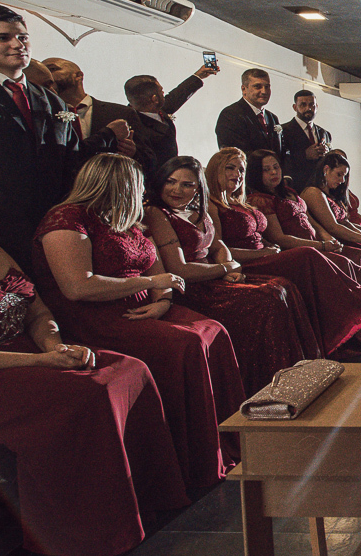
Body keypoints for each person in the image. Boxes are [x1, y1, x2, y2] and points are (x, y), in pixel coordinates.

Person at [0, 164, 189, 556]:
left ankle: (140, 507)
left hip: (29, 355)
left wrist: (52, 347)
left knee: (130, 369)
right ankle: (81, 537)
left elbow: (38, 313)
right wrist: (37, 364)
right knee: (85, 394)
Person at [31, 153, 242, 491]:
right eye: (140, 185)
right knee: (186, 344)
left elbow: (156, 268)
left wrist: (163, 301)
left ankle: (225, 443)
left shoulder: (121, 218)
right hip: (100, 315)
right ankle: (192, 462)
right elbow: (77, 287)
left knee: (214, 330)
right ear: (120, 185)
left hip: (146, 305)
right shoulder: (67, 220)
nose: (146, 192)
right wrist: (149, 285)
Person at [0, 3, 113, 268]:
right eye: (3, 38)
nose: (18, 45)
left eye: (23, 37)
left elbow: (71, 163)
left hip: (51, 229)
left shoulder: (53, 102)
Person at [143, 156, 321, 394]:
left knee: (282, 287)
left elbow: (217, 245)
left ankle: (298, 373)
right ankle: (264, 385)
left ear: (198, 189)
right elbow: (179, 269)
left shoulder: (197, 209)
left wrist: (229, 264)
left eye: (187, 185)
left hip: (215, 276)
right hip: (192, 288)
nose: (177, 190)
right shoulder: (157, 212)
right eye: (170, 182)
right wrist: (225, 269)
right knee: (266, 299)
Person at [206, 147, 361, 358]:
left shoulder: (242, 202)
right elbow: (221, 248)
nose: (237, 174)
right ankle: (360, 301)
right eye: (230, 168)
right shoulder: (217, 205)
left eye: (240, 169)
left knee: (356, 255)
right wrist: (269, 251)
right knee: (307, 255)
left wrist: (325, 239)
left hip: (269, 251)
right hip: (252, 259)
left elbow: (273, 232)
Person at [303, 152, 361, 297]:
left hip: (342, 234)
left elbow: (344, 221)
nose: (342, 180)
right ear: (326, 169)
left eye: (344, 176)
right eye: (339, 174)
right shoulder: (313, 193)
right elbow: (332, 227)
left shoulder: (328, 192)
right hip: (332, 239)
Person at [42, 56, 142, 166]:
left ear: (78, 75)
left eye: (52, 69)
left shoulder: (121, 113)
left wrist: (134, 153)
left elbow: (149, 158)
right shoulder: (43, 116)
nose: (47, 75)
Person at [124, 65, 216, 175]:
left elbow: (176, 97)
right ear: (154, 99)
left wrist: (198, 76)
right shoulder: (132, 126)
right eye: (161, 91)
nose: (164, 94)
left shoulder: (152, 109)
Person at [215, 68, 283, 154]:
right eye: (257, 87)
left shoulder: (272, 118)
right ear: (244, 89)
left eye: (267, 87)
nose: (264, 91)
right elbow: (234, 154)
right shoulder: (230, 115)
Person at [280, 89, 331, 191]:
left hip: (321, 188)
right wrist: (304, 155)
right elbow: (281, 159)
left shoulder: (324, 133)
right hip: (297, 188)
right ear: (295, 107)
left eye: (312, 105)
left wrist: (327, 154)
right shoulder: (283, 131)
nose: (308, 108)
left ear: (316, 107)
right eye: (303, 105)